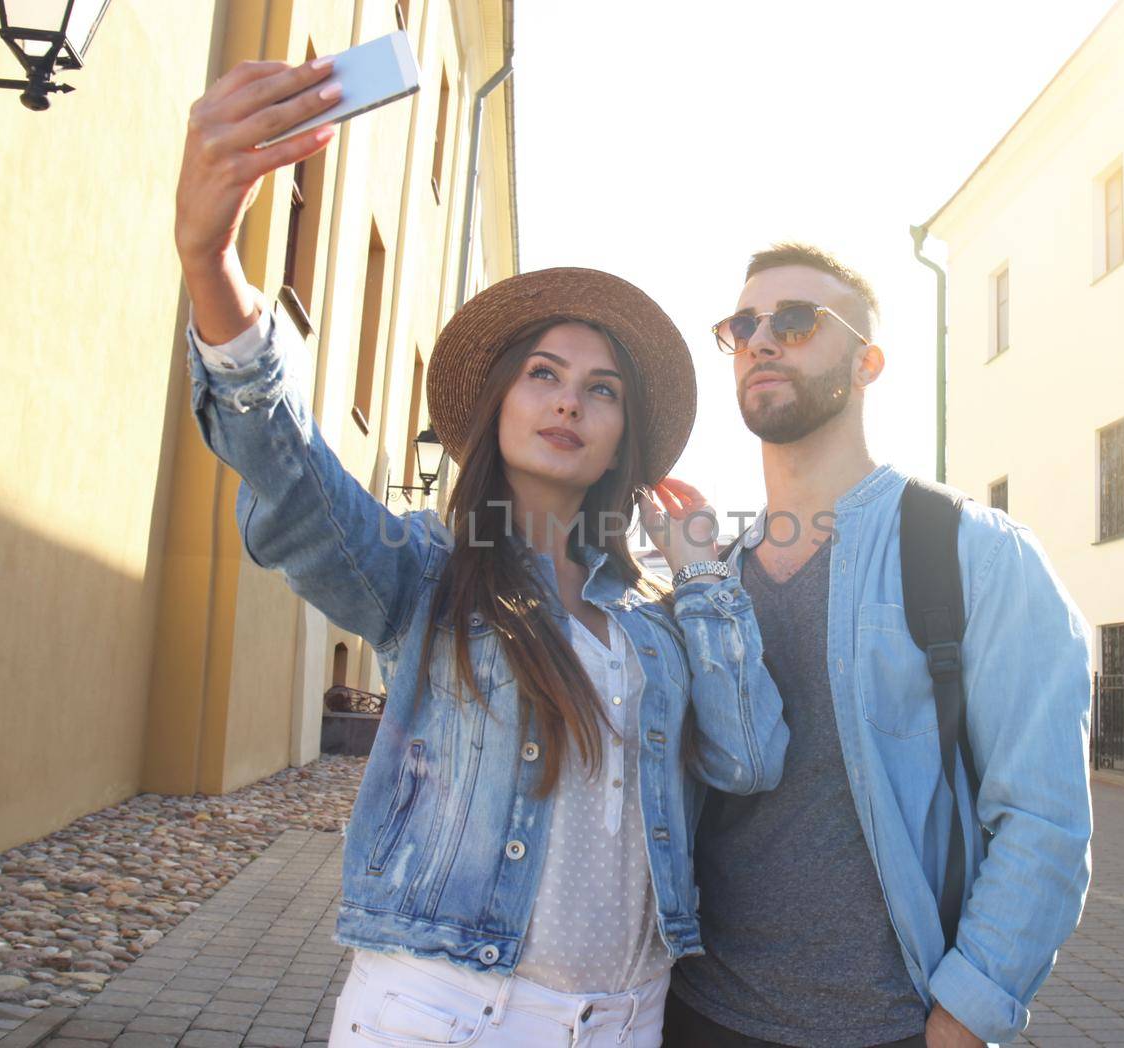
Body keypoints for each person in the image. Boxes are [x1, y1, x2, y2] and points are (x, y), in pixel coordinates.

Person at [173, 58, 788, 1048]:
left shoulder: (655, 628)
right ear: (498, 400)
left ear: (620, 435)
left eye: (600, 389)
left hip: (631, 1020)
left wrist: (709, 581)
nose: (566, 401)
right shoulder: (423, 572)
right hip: (447, 1015)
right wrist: (212, 265)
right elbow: (292, 481)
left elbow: (751, 759)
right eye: (542, 374)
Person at [664, 244, 1094, 1048]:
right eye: (744, 324)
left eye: (795, 321)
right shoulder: (711, 580)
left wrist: (966, 1015)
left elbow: (1045, 816)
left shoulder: (975, 553)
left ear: (867, 364)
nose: (761, 340)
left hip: (890, 1028)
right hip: (699, 1014)